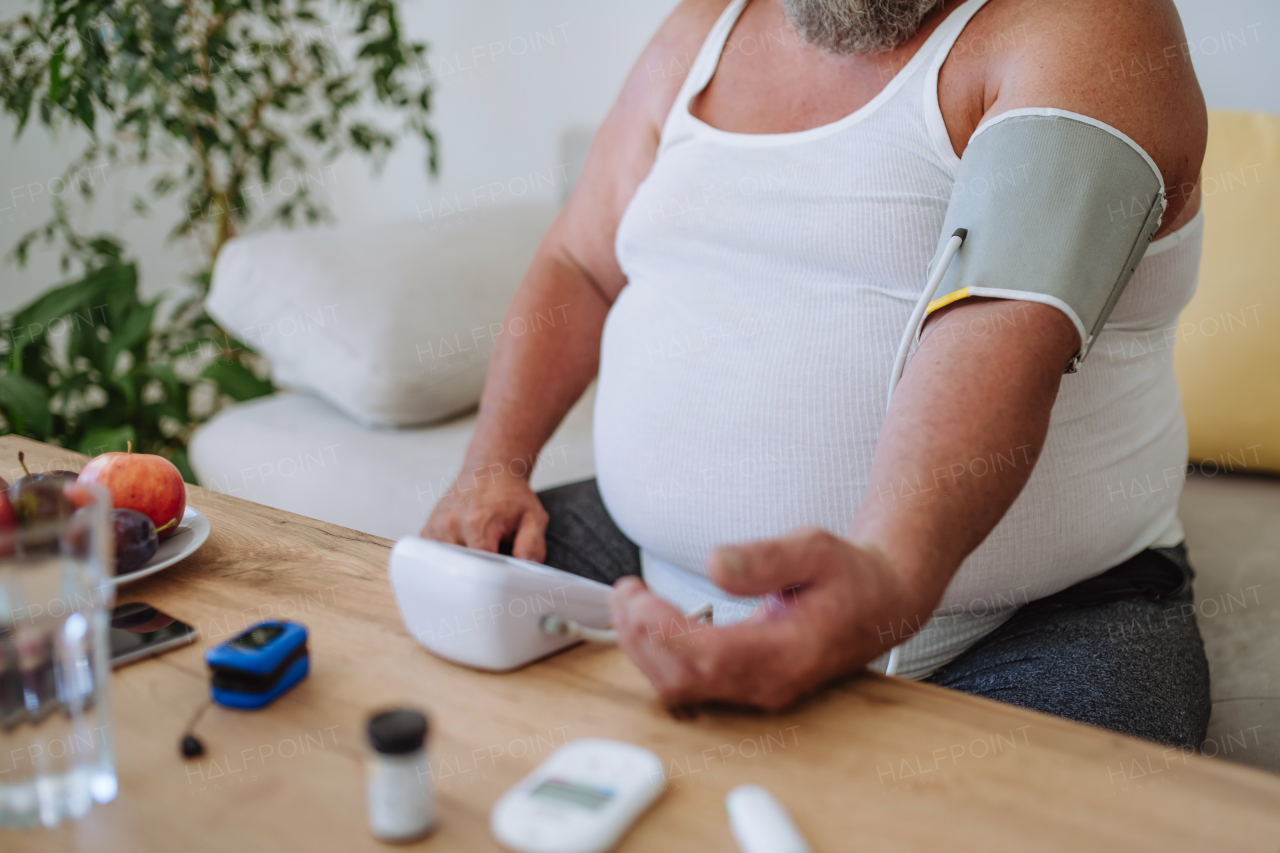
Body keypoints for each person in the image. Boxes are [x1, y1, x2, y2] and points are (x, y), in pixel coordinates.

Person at [423, 0, 1210, 749]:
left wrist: (890, 571)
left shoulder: (1091, 27)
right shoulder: (702, 32)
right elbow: (580, 262)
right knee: (426, 655)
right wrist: (493, 464)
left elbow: (999, 325)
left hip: (1030, 625)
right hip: (646, 567)